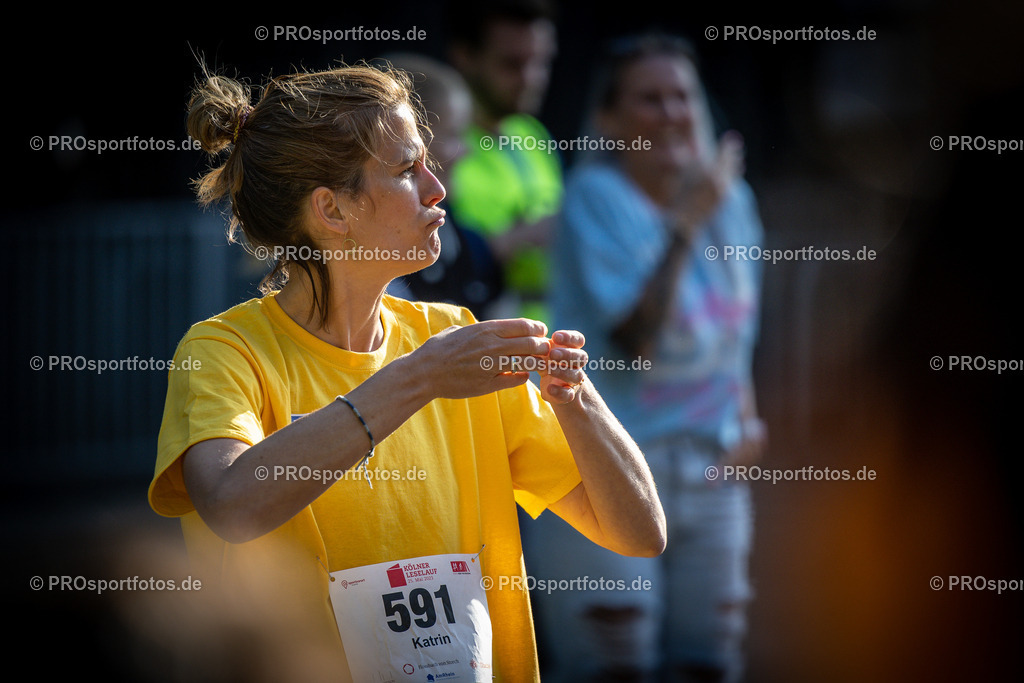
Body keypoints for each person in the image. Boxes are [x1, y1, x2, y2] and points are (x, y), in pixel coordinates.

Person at [147, 60, 665, 683]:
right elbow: (232, 505)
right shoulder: (226, 350)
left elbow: (639, 532)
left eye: (427, 163)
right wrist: (420, 378)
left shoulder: (449, 337)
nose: (436, 188)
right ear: (332, 212)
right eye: (405, 170)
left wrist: (572, 396)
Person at [524, 34, 767, 682]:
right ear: (609, 120)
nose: (672, 114)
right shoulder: (596, 199)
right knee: (615, 667)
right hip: (613, 464)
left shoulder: (731, 203)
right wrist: (684, 225)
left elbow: (733, 332)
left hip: (713, 470)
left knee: (708, 663)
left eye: (682, 96)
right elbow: (639, 339)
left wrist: (748, 414)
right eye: (649, 99)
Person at [445, 0, 562, 323]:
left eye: (540, 63)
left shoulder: (533, 133)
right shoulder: (435, 141)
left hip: (545, 343)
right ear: (465, 56)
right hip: (472, 339)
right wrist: (518, 238)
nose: (531, 78)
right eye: (512, 64)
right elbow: (427, 255)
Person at [382, 53, 505, 318]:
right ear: (408, 141)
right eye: (454, 134)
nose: (466, 151)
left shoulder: (459, 240)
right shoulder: (357, 252)